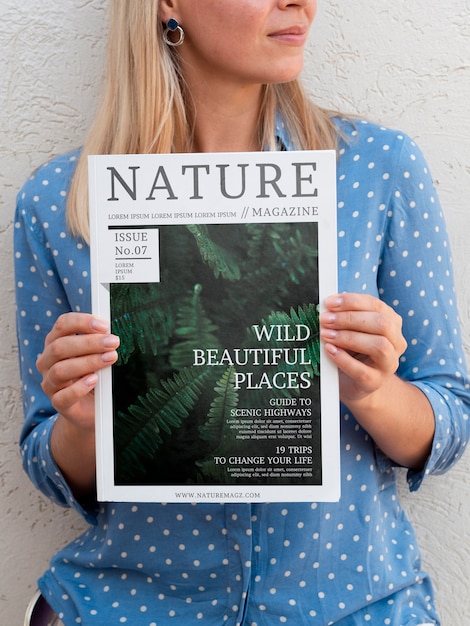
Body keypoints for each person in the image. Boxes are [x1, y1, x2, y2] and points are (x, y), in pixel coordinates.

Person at [14, 1, 469, 625]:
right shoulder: (61, 202)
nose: (299, 2)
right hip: (127, 604)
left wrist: (372, 389)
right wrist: (87, 419)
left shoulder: (374, 169)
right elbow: (50, 463)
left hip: (350, 606)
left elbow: (449, 418)